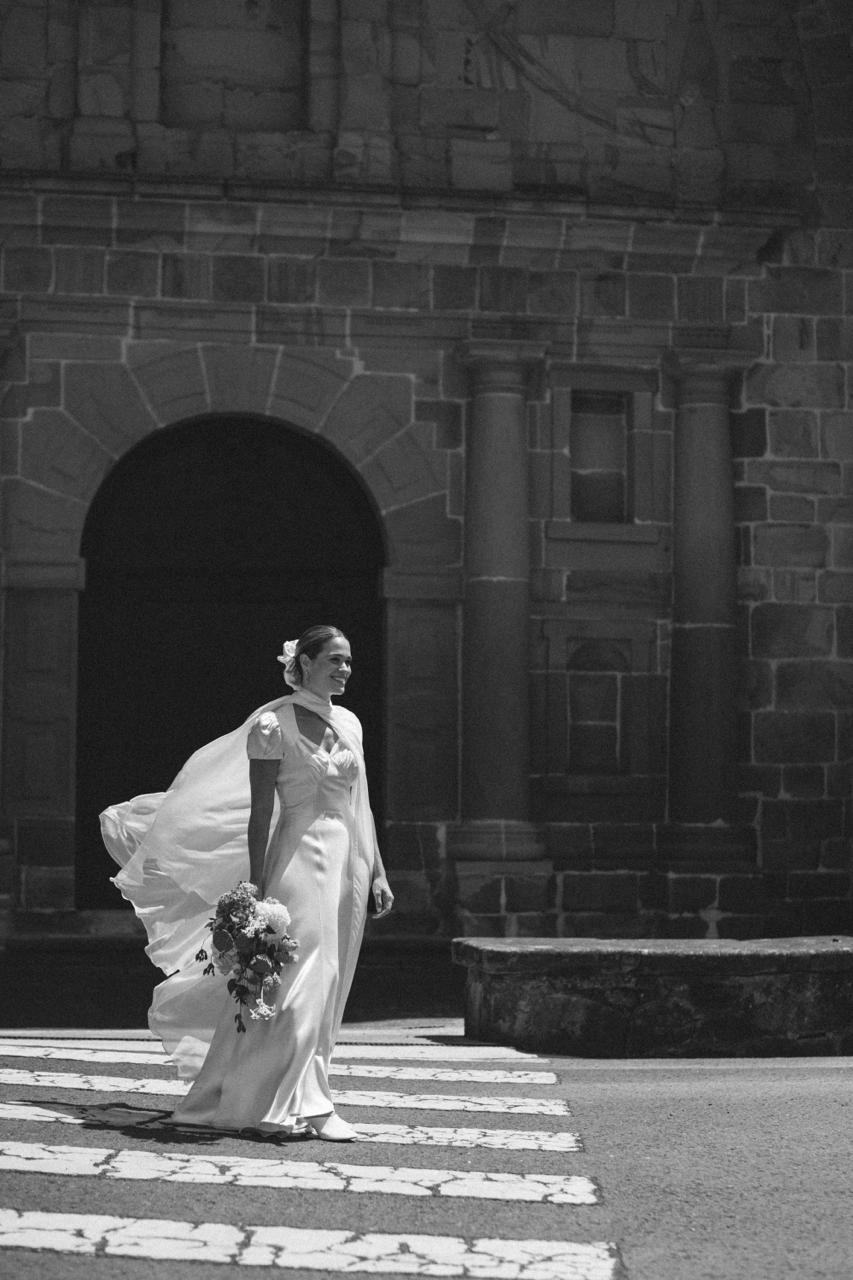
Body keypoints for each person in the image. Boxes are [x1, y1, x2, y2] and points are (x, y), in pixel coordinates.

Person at [101, 625, 393, 1143]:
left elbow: (359, 802)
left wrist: (378, 872)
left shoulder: (350, 722)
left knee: (330, 983)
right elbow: (262, 814)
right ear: (304, 663)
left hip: (346, 864)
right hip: (296, 860)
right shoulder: (270, 725)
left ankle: (305, 1093)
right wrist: (257, 886)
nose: (346, 670)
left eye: (349, 661)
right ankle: (305, 1105)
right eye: (335, 661)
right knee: (296, 979)